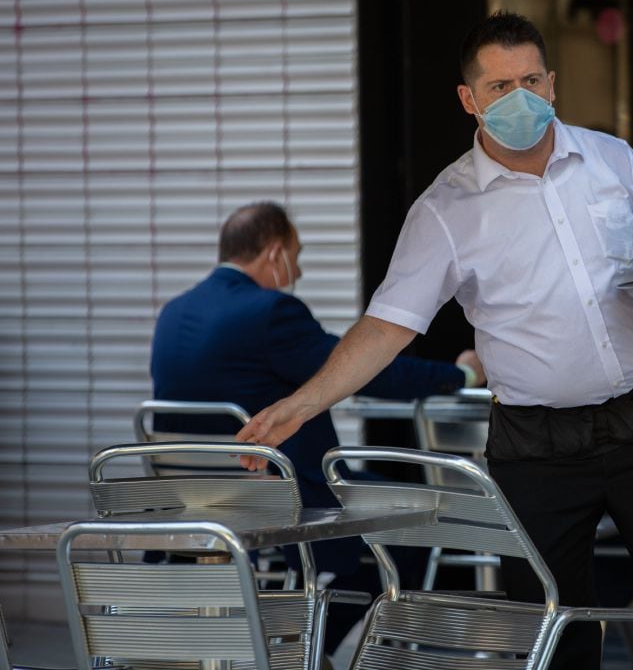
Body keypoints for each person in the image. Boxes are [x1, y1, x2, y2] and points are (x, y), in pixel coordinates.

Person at [235, 12, 633, 669]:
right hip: (535, 446)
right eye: (498, 86)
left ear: (552, 85)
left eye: (530, 80)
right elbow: (385, 327)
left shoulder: (612, 160)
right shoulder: (444, 210)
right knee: (549, 631)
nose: (519, 97)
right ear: (468, 100)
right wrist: (301, 405)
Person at [150, 200, 485, 656]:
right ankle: (305, 651)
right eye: (297, 254)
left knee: (378, 514)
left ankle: (290, 645)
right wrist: (460, 373)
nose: (299, 270)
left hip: (195, 495)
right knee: (416, 526)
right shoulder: (270, 312)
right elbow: (364, 368)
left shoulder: (174, 313)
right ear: (273, 253)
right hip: (282, 494)